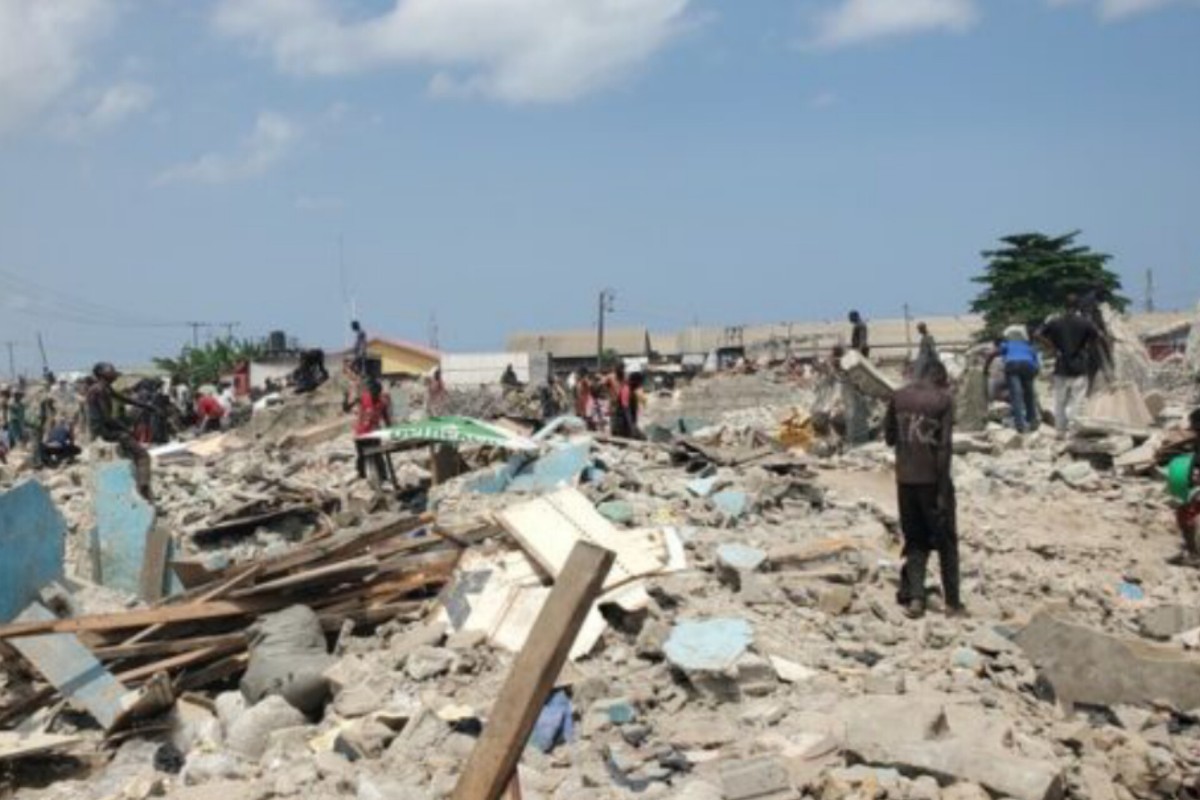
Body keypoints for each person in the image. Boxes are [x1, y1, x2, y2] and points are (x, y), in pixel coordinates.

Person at [885, 360, 963, 619]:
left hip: (905, 480)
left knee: (915, 540)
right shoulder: (943, 400)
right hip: (932, 481)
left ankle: (916, 598)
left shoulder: (898, 396)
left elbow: (889, 438)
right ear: (940, 377)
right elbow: (944, 448)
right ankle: (952, 603)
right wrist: (942, 491)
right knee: (946, 542)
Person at [87, 362, 153, 501]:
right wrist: (126, 429)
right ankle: (144, 489)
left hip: (103, 428)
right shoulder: (99, 390)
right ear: (102, 374)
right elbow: (107, 418)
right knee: (143, 455)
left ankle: (140, 484)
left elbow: (123, 398)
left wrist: (145, 406)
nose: (114, 372)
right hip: (103, 430)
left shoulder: (104, 388)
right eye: (110, 369)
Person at [1038, 296, 1100, 435]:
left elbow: (1037, 334)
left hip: (1061, 366)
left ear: (1064, 306)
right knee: (1077, 401)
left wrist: (1052, 347)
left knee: (1060, 401)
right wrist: (1087, 347)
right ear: (1078, 306)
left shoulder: (1055, 322)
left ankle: (1060, 430)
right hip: (1079, 366)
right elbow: (1097, 336)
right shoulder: (1085, 322)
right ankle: (1073, 429)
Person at [984, 326, 1042, 433]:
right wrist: (1035, 372)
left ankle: (1020, 425)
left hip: (1012, 366)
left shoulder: (1007, 344)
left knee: (1016, 395)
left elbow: (992, 354)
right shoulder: (1028, 345)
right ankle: (1032, 421)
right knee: (1029, 395)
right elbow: (1036, 362)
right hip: (1029, 367)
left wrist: (985, 369)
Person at [344, 378, 393, 480]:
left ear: (379, 392)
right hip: (361, 433)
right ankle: (362, 476)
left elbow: (386, 418)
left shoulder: (382, 403)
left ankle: (384, 478)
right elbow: (347, 408)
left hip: (374, 434)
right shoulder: (363, 398)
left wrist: (390, 431)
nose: (374, 394)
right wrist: (346, 398)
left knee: (378, 455)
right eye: (372, 392)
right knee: (362, 456)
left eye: (376, 393)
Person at [611, 371, 645, 440]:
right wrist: (631, 427)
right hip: (621, 424)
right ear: (635, 382)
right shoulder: (626, 389)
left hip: (626, 424)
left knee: (642, 438)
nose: (640, 385)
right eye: (640, 382)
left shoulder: (632, 391)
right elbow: (625, 409)